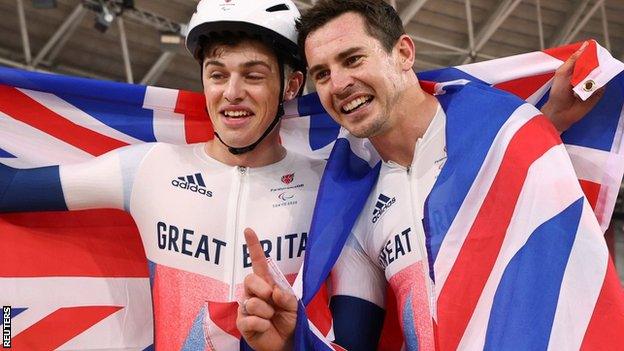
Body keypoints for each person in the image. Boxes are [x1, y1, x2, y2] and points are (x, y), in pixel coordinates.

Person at [236, 0, 620, 350]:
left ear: (403, 53)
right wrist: (290, 341)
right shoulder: (353, 214)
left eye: (352, 59)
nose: (338, 84)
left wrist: (547, 122)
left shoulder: (508, 131)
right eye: (321, 74)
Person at [0, 0, 327, 349]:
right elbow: (12, 189)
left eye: (253, 75)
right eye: (217, 74)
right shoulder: (150, 168)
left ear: (291, 86)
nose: (231, 93)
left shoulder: (326, 188)